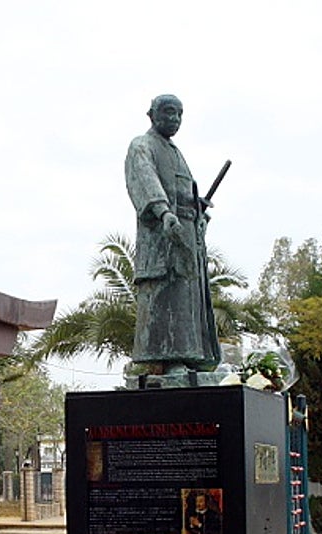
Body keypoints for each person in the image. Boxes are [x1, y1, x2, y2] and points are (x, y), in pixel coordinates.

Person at [124, 94, 221, 376]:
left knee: (189, 297)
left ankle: (192, 357)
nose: (174, 119)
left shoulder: (176, 152)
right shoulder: (142, 146)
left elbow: (184, 190)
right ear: (152, 114)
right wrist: (164, 212)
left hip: (188, 237)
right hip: (162, 237)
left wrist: (197, 207)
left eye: (179, 114)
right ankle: (169, 360)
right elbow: (144, 179)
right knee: (168, 298)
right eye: (168, 113)